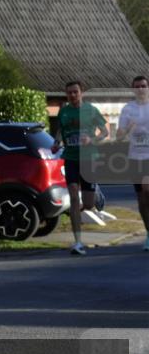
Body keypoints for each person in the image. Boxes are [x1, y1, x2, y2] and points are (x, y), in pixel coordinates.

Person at [52, 81, 110, 256]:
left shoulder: (91, 110)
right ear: (66, 94)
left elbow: (105, 132)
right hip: (70, 158)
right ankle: (78, 242)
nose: (72, 95)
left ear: (81, 93)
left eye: (75, 92)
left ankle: (96, 194)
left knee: (89, 203)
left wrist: (92, 140)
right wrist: (56, 143)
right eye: (69, 93)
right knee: (73, 197)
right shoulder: (63, 112)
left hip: (89, 159)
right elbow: (60, 132)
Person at [116, 75, 149, 251]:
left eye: (143, 86)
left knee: (147, 189)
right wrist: (129, 128)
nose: (140, 89)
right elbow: (119, 135)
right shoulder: (128, 109)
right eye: (137, 86)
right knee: (142, 200)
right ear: (133, 89)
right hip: (135, 158)